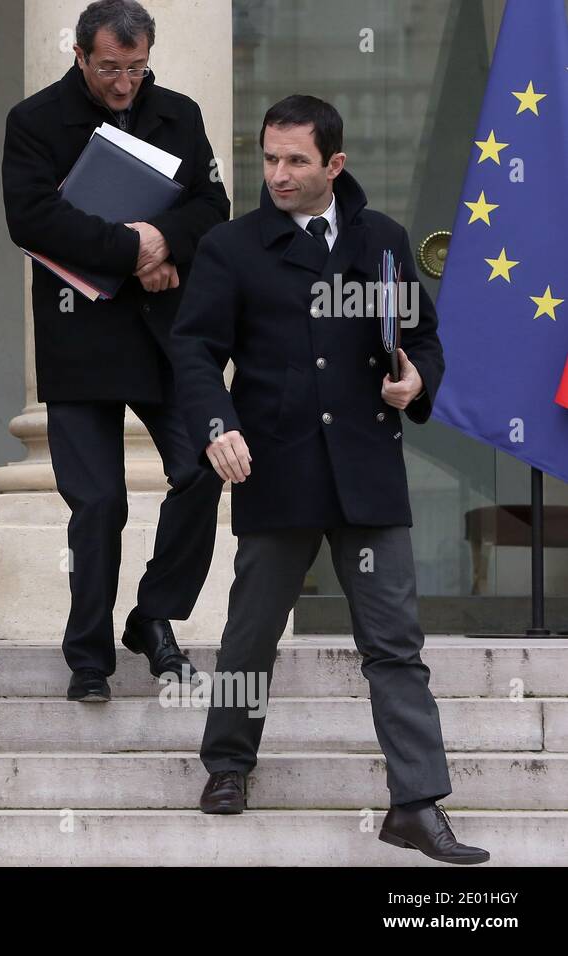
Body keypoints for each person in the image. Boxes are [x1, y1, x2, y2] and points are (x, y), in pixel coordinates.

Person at [171, 94, 489, 864]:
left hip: (367, 471)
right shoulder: (231, 246)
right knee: (251, 632)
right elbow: (192, 349)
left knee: (394, 643)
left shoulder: (383, 242)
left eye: (295, 162)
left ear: (334, 165)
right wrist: (219, 427)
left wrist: (417, 385)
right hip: (274, 465)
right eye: (269, 158)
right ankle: (227, 764)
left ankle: (416, 804)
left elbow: (423, 339)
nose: (277, 174)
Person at [1, 0, 229, 702]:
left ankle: (153, 617)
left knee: (201, 468)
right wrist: (137, 249)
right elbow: (32, 218)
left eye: (136, 67)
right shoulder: (34, 121)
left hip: (167, 335)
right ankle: (88, 656)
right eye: (110, 69)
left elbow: (211, 206)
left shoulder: (180, 112)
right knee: (98, 503)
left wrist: (168, 242)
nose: (125, 83)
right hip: (81, 338)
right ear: (79, 55)